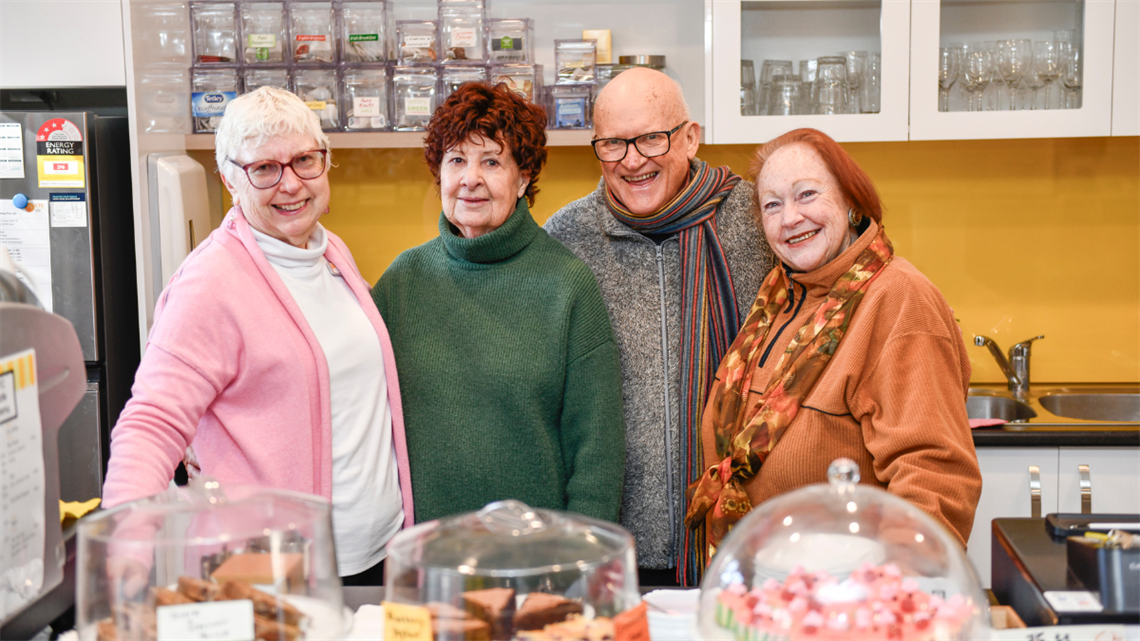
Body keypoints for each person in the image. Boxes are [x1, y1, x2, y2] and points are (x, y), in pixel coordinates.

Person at [102, 87, 412, 585]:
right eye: (264, 169)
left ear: (325, 162)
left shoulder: (328, 250)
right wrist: (123, 553)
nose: (290, 184)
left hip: (374, 555)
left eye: (304, 161)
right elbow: (151, 424)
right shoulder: (211, 284)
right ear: (230, 178)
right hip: (277, 571)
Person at [686, 128, 982, 560]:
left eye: (806, 195)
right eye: (773, 204)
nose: (789, 218)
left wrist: (883, 592)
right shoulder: (778, 299)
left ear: (849, 199)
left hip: (847, 597)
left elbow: (934, 478)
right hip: (769, 587)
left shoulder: (898, 299)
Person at [544, 68, 774, 585]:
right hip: (614, 547)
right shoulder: (564, 239)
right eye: (613, 144)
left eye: (651, 137)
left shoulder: (758, 220)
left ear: (691, 137)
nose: (632, 160)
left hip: (746, 536)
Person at [371, 83, 625, 524]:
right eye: (456, 160)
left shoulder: (566, 285)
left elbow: (598, 450)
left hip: (535, 557)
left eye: (491, 161)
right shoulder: (402, 281)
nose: (471, 178)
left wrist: (576, 551)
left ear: (523, 177)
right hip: (427, 554)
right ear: (440, 176)